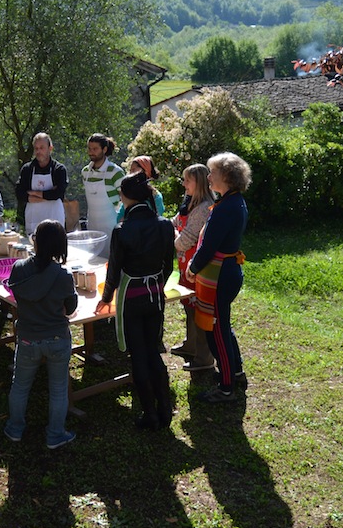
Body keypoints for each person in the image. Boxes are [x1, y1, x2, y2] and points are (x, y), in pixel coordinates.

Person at [95, 172, 175, 430]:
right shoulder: (164, 225)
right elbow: (168, 265)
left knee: (138, 354)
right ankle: (165, 410)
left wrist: (106, 298)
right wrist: (156, 283)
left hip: (131, 296)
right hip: (155, 294)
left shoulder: (122, 229)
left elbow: (114, 271)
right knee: (153, 350)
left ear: (126, 197)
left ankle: (150, 414)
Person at [4, 219, 78, 449]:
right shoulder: (63, 276)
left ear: (35, 241)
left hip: (27, 337)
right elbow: (71, 307)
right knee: (58, 389)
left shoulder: (18, 269)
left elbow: (18, 296)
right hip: (56, 338)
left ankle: (15, 428)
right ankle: (55, 434)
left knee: (20, 385)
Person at [186, 152, 251, 403]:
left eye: (213, 172)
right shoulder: (232, 201)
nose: (209, 176)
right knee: (222, 324)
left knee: (218, 330)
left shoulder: (227, 206)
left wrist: (192, 268)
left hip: (221, 274)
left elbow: (209, 246)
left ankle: (226, 387)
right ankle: (234, 372)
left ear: (227, 176)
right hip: (227, 271)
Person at [171, 164, 216, 372]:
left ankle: (204, 357)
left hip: (197, 270)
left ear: (198, 183)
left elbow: (182, 242)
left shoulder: (204, 208)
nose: (183, 184)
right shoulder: (190, 203)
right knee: (189, 307)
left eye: (187, 180)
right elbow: (174, 223)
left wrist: (171, 235)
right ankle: (191, 346)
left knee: (200, 312)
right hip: (186, 269)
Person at [81, 133, 125, 258]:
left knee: (112, 261)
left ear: (104, 149)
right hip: (93, 225)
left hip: (112, 226)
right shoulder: (85, 172)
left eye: (95, 149)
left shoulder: (115, 172)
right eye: (89, 149)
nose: (91, 152)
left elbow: (125, 199)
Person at [15, 132, 68, 235]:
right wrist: (47, 195)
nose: (38, 151)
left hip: (54, 217)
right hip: (34, 218)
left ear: (50, 148)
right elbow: (19, 193)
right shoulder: (27, 169)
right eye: (36, 148)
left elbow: (58, 193)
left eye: (42, 148)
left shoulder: (59, 169)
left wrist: (33, 193)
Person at [116, 155, 165, 222]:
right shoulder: (130, 193)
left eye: (133, 170)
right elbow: (119, 217)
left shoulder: (156, 197)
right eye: (130, 170)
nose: (131, 173)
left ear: (145, 171)